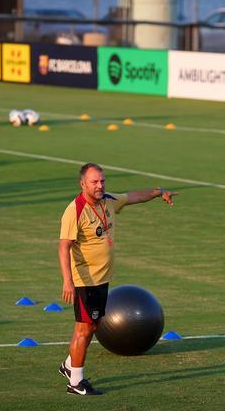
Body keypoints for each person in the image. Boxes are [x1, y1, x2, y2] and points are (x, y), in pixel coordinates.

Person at [58, 163, 177, 396]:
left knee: (92, 325)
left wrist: (158, 192)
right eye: (94, 182)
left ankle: (69, 366)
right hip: (85, 281)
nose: (100, 185)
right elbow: (64, 247)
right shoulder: (75, 210)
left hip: (102, 279)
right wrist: (67, 281)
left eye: (102, 181)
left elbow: (133, 196)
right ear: (83, 184)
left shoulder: (108, 200)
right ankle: (76, 383)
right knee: (83, 330)